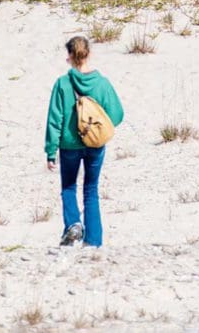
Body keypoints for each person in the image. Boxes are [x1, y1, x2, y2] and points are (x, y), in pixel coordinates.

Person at [44, 35, 123, 248]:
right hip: (95, 144)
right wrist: (99, 129)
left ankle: (73, 225)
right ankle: (93, 241)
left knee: (68, 187)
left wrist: (50, 151)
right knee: (91, 189)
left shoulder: (62, 83)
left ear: (69, 55)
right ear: (89, 53)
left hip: (69, 144)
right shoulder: (102, 83)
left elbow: (55, 119)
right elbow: (117, 114)